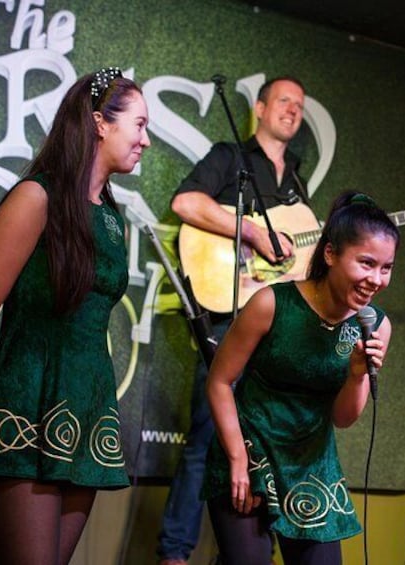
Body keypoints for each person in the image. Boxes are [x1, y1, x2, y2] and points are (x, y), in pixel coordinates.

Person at [0, 67, 151, 564]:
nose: (146, 139)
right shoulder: (36, 197)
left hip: (86, 413)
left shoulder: (109, 215)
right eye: (139, 125)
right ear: (101, 124)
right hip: (24, 405)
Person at [157, 75, 307, 565]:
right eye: (284, 101)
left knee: (263, 440)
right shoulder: (230, 158)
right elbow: (186, 204)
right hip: (227, 314)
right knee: (206, 436)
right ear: (259, 109)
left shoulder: (297, 177)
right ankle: (175, 554)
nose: (293, 110)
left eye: (300, 106)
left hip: (276, 328)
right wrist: (252, 232)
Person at [202, 191, 399, 565]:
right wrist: (237, 458)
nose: (376, 279)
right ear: (330, 254)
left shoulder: (375, 326)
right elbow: (219, 382)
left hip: (312, 463)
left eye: (386, 267)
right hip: (250, 451)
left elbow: (342, 418)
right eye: (366, 263)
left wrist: (357, 375)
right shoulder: (271, 304)